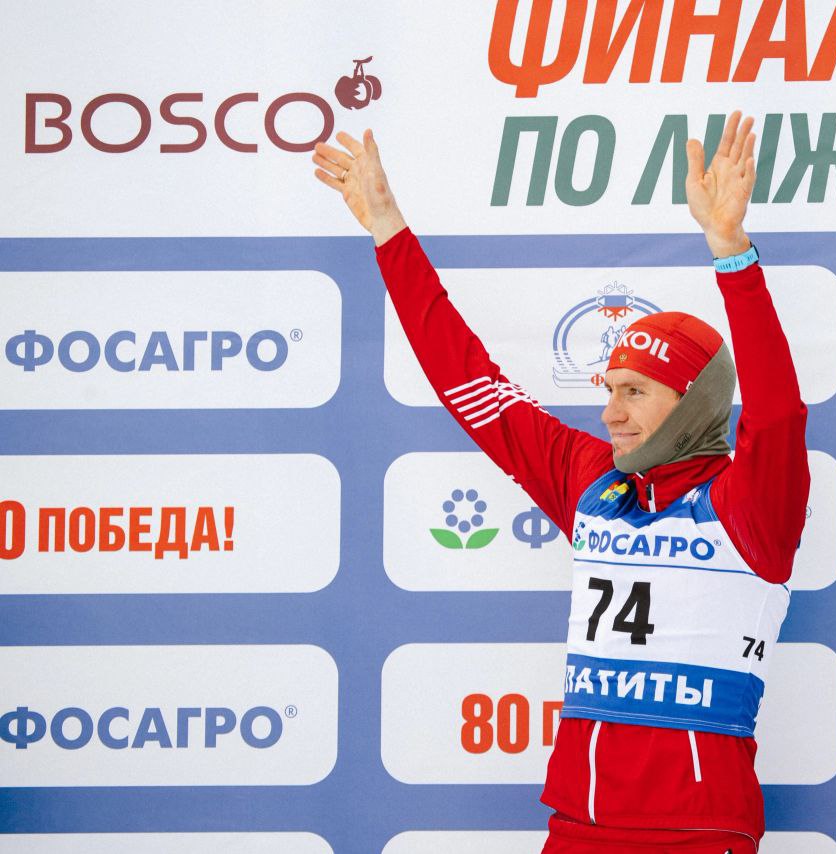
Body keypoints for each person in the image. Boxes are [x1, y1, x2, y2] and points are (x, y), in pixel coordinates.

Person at [312, 111, 809, 853]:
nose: (610, 413)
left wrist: (732, 254)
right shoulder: (592, 481)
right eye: (608, 389)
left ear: (693, 402)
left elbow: (777, 413)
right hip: (577, 825)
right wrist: (388, 231)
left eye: (635, 392)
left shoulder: (749, 507)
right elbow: (467, 380)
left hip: (698, 831)